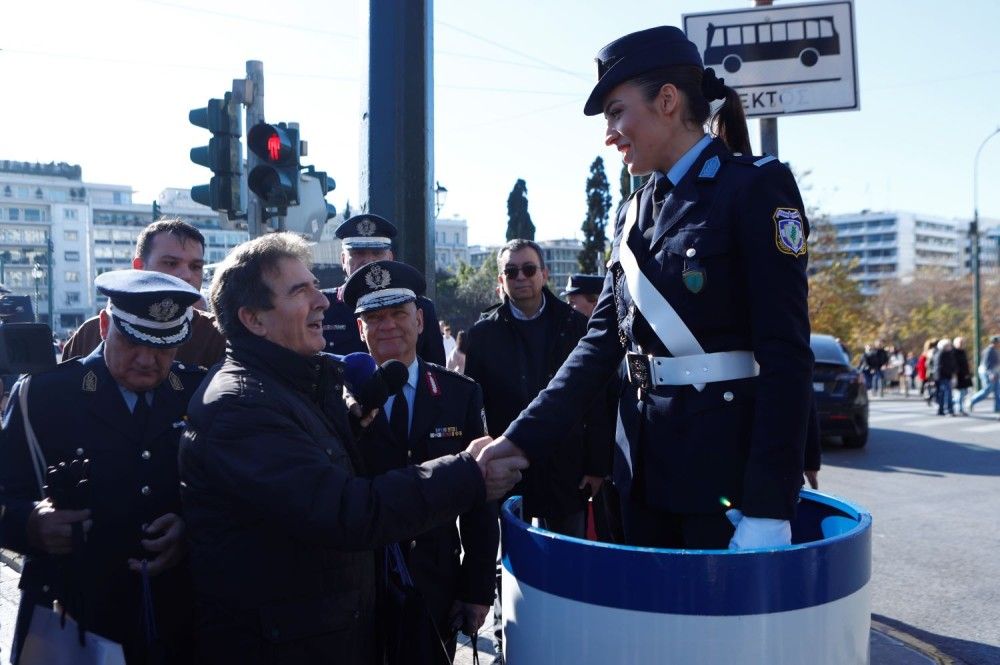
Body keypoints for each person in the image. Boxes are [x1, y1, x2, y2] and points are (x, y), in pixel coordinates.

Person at [478, 26, 813, 552]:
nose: (609, 133)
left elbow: (786, 354)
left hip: (722, 484)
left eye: (616, 112)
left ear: (667, 100)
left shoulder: (754, 188)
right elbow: (598, 347)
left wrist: (769, 507)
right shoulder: (632, 213)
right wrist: (518, 441)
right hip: (641, 474)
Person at [178, 233, 526, 664]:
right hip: (287, 641)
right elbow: (343, 509)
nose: (323, 301)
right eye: (300, 291)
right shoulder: (241, 407)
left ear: (419, 320)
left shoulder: (302, 387)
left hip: (349, 617)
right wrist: (468, 473)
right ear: (253, 319)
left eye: (314, 286)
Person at [0, 269, 206, 664]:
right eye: (132, 342)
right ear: (106, 325)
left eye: (164, 346)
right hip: (70, 618)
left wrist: (191, 529)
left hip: (175, 619)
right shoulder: (44, 396)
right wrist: (30, 524)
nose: (147, 359)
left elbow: (225, 496)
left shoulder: (197, 394)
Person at [345, 261, 497, 662]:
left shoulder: (459, 394)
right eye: (374, 317)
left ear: (420, 321)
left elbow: (481, 500)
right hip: (360, 581)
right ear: (361, 329)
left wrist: (476, 590)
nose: (388, 325)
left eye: (398, 314)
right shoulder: (336, 397)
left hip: (435, 580)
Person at [466, 240, 611, 536]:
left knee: (565, 561)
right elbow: (474, 404)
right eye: (511, 271)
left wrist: (597, 465)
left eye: (529, 269)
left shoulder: (577, 326)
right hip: (505, 465)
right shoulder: (482, 334)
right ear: (501, 280)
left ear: (544, 274)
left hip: (565, 465)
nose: (520, 277)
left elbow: (598, 399)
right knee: (511, 564)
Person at [61, 219, 226, 368]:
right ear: (139, 267)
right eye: (170, 263)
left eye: (195, 266)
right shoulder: (89, 333)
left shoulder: (219, 336)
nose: (186, 275)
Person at [320, 214, 446, 364]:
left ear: (390, 257)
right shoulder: (321, 306)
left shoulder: (420, 307)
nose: (368, 261)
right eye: (358, 253)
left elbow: (434, 374)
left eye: (377, 252)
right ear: (343, 260)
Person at [969, 335, 1000, 416]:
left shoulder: (996, 350)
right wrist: (991, 374)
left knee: (997, 391)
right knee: (987, 390)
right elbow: (986, 364)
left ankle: (998, 408)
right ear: (994, 343)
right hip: (988, 373)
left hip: (995, 373)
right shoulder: (989, 351)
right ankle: (972, 401)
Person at [934, 338, 957, 416]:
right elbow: (940, 367)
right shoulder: (941, 354)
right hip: (943, 377)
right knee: (947, 394)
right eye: (948, 345)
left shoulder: (948, 354)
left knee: (943, 394)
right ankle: (948, 410)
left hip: (945, 376)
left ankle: (941, 410)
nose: (950, 347)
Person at [953, 337, 972, 415]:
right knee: (959, 394)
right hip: (958, 376)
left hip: (964, 376)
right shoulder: (954, 352)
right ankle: (959, 409)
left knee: (964, 393)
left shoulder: (963, 352)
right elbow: (954, 365)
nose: (961, 344)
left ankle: (960, 407)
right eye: (960, 343)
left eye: (963, 343)